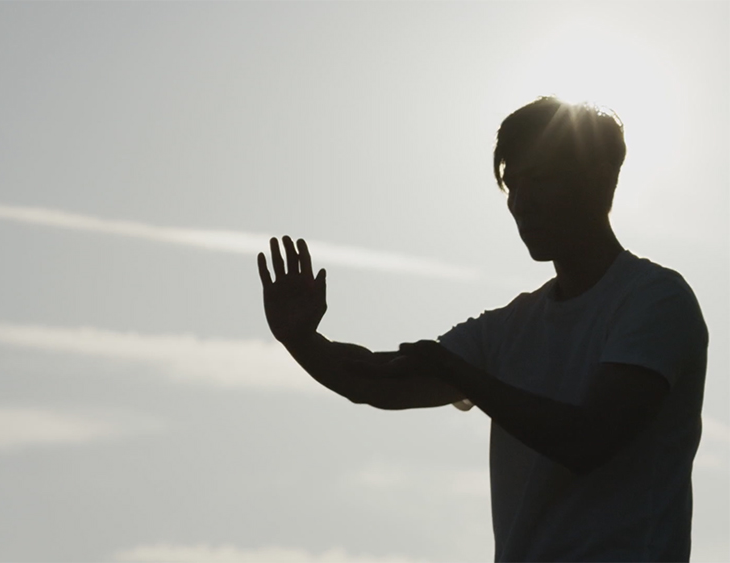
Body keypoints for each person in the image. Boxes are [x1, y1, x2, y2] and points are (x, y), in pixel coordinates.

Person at [256, 96, 708, 562]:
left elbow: (590, 439)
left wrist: (466, 377)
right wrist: (301, 340)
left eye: (539, 180)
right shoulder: (510, 327)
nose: (520, 203)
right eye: (512, 184)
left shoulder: (655, 300)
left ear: (597, 179)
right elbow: (378, 380)